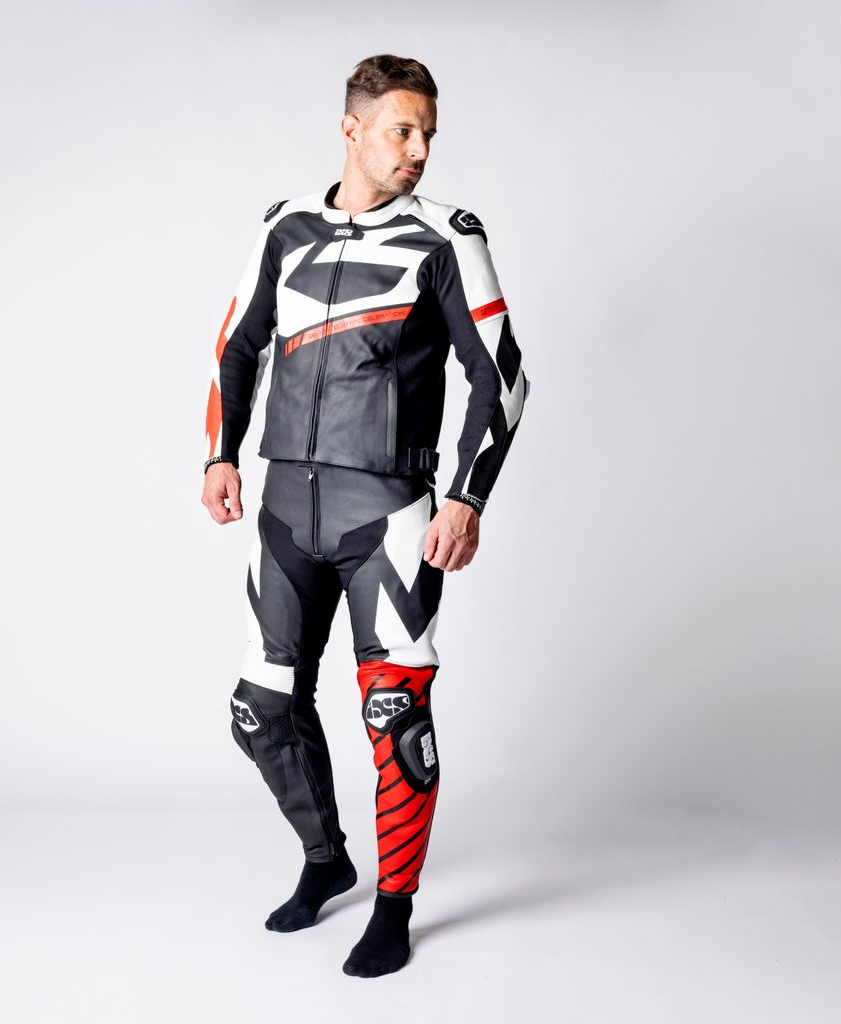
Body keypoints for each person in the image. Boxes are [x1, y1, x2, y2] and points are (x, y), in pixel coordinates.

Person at [201, 54, 527, 977]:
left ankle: (394, 906)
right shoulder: (285, 226)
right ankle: (324, 859)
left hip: (388, 513)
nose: (419, 150)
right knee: (262, 710)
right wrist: (220, 454)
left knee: (393, 713)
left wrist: (466, 497)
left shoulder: (445, 237)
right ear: (352, 129)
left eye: (428, 134)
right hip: (283, 509)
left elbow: (503, 376)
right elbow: (236, 345)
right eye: (402, 130)